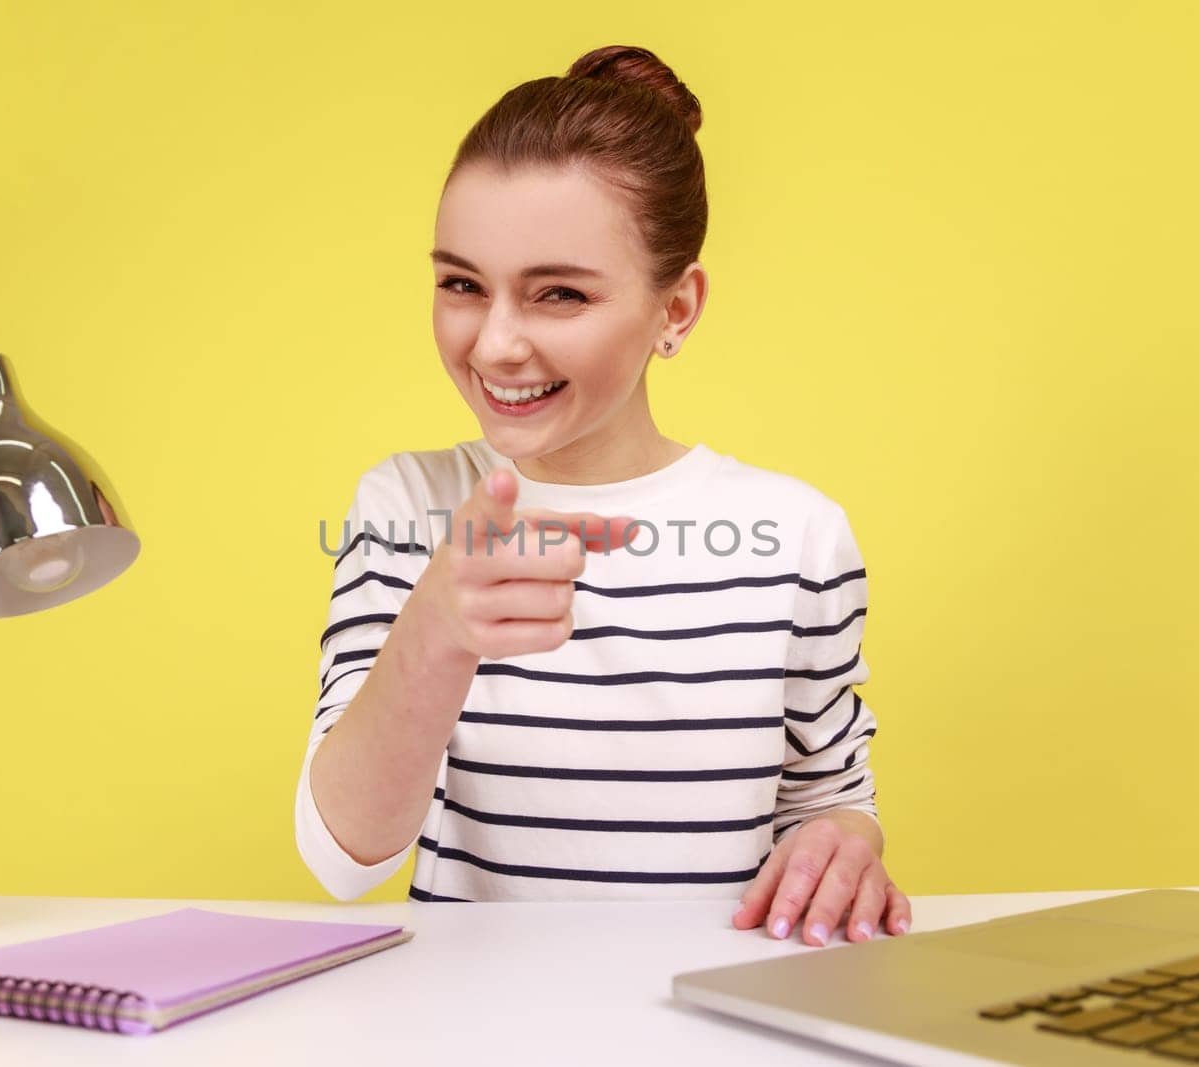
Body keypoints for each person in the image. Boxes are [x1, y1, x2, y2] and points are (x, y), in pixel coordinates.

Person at [297, 44, 911, 948]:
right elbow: (343, 857)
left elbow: (829, 800)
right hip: (470, 1029)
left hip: (722, 1023)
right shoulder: (408, 506)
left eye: (559, 295)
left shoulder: (799, 535)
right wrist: (436, 627)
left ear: (676, 310)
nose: (497, 344)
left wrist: (845, 843)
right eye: (462, 284)